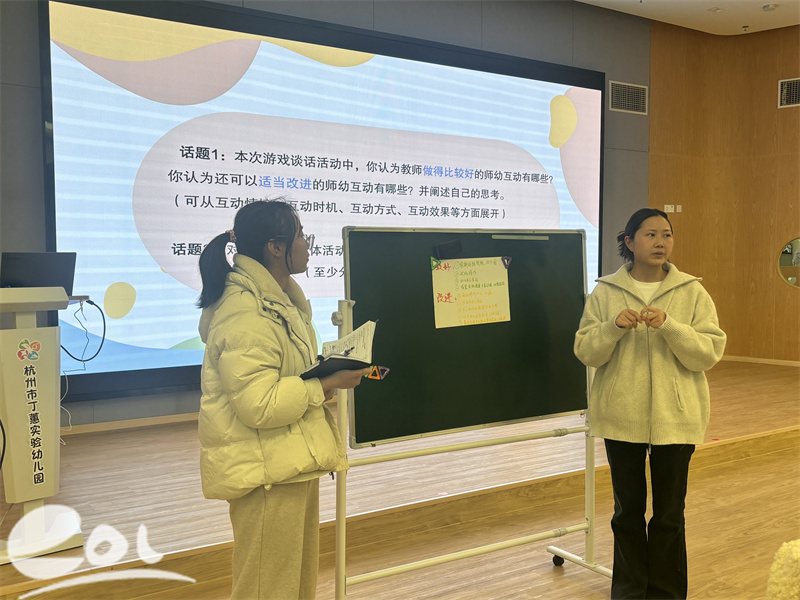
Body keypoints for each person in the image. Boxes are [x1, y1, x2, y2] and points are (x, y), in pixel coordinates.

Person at [196, 199, 369, 600]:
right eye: (301, 236)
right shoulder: (246, 311)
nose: (307, 245)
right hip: (266, 474)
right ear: (275, 247)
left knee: (292, 583)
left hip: (286, 461)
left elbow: (282, 376)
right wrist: (324, 385)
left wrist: (325, 374)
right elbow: (259, 404)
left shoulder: (277, 300)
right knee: (267, 588)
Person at [574, 208, 726, 600]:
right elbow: (586, 351)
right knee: (626, 513)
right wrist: (613, 327)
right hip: (620, 419)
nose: (661, 242)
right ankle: (628, 592)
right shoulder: (605, 292)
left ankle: (666, 594)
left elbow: (708, 353)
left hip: (677, 419)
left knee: (670, 514)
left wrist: (670, 326)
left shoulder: (692, 292)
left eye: (667, 234)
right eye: (651, 234)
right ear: (629, 241)